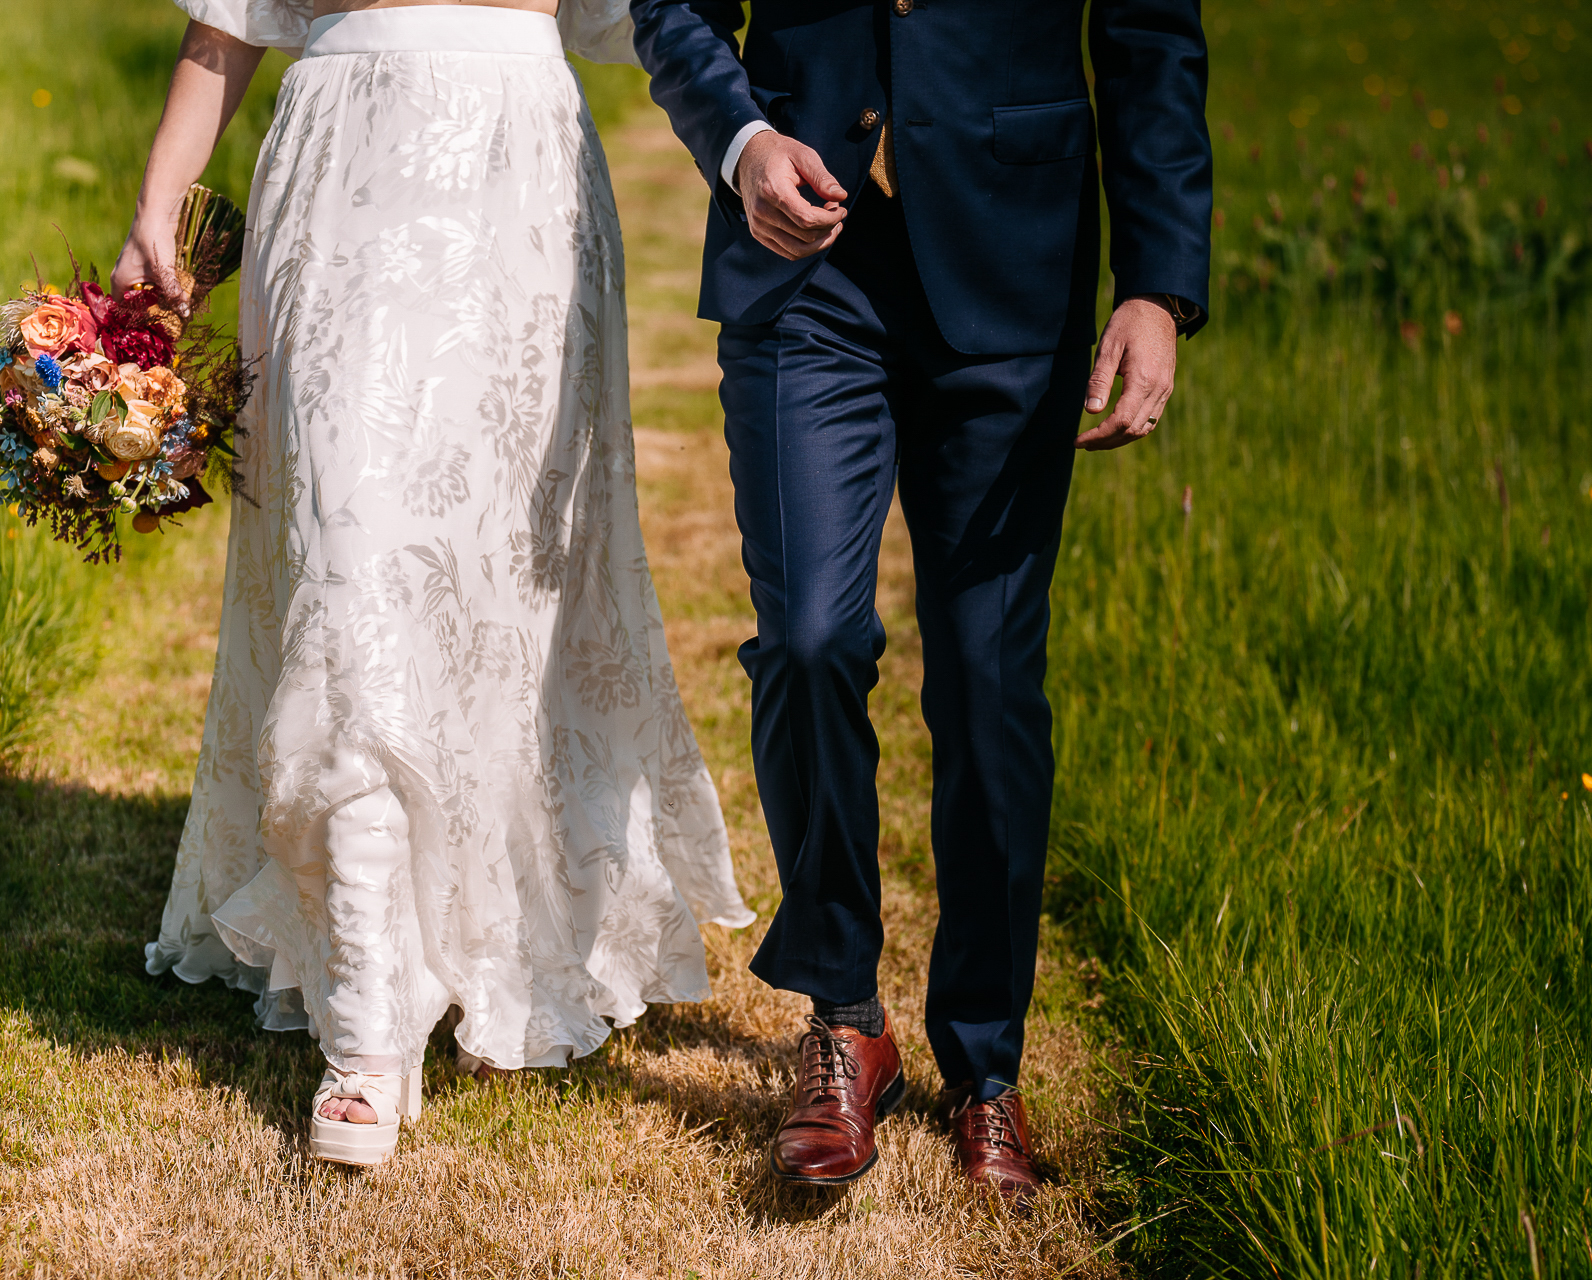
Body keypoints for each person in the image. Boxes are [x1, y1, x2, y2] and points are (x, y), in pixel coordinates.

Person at [125, 0, 755, 1167]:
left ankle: (486, 930)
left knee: (494, 591)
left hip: (521, 183)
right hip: (339, 172)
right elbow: (224, 26)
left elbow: (687, 19)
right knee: (347, 561)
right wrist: (158, 200)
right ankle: (368, 1012)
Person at [628, 0, 1211, 1193]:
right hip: (801, 264)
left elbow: (1151, 29)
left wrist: (1157, 281)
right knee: (806, 637)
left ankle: (986, 1067)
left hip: (1016, 257)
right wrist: (739, 143)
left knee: (992, 686)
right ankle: (845, 1016)